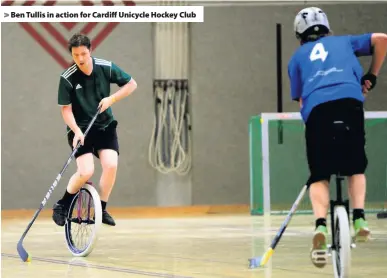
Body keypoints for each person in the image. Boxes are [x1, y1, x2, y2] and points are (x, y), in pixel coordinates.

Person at [288, 7, 387, 267]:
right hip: (350, 104)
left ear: (299, 34)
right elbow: (382, 39)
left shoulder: (297, 58)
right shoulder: (345, 42)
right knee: (355, 167)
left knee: (319, 175)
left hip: (318, 112)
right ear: (327, 27)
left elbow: (301, 101)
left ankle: (320, 226)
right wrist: (371, 76)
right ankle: (360, 218)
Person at [52, 33, 137, 227]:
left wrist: (112, 99)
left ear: (90, 50)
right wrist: (76, 131)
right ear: (71, 55)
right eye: (75, 55)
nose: (80, 59)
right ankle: (62, 205)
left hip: (104, 126)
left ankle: (102, 208)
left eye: (83, 53)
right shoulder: (67, 78)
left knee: (111, 165)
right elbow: (66, 110)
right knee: (86, 171)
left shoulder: (105, 68)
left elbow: (132, 84)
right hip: (80, 129)